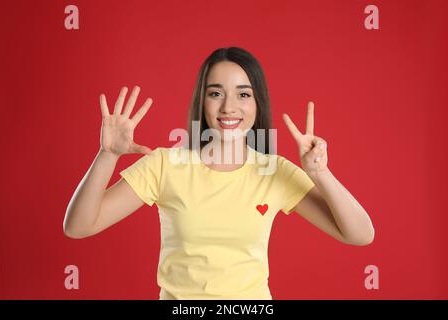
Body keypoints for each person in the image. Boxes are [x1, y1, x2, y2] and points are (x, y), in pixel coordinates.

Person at [63, 47, 375, 300]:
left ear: (257, 102)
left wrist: (321, 174)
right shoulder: (165, 165)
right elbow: (78, 227)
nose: (229, 107)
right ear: (202, 101)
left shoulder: (273, 171)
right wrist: (107, 156)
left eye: (243, 94)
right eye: (215, 94)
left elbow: (360, 234)